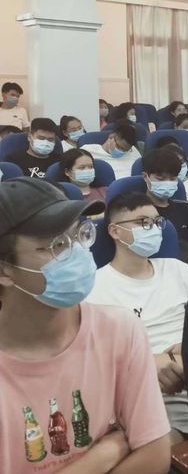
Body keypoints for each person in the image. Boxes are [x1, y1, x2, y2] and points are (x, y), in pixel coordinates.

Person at [0, 178, 171, 473]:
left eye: (78, 236)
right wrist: (104, 455)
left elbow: (154, 458)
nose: (77, 253)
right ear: (4, 269)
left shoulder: (119, 330)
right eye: (57, 245)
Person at [89, 192, 188, 444]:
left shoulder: (176, 269)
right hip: (150, 393)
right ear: (115, 231)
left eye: (156, 222)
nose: (153, 228)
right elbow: (91, 360)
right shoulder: (95, 288)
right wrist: (147, 363)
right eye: (143, 222)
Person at [142, 148, 188, 268]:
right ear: (146, 177)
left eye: (172, 179)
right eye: (160, 179)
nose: (167, 183)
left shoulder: (186, 209)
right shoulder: (136, 213)